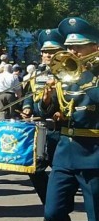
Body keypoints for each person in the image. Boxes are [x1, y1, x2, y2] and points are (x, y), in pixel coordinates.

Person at [41, 17, 99, 221]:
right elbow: (51, 108)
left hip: (94, 151)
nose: (72, 53)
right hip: (65, 150)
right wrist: (48, 100)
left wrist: (90, 80)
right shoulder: (63, 72)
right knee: (52, 212)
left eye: (80, 47)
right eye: (70, 48)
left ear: (95, 47)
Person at [19, 29, 65, 204]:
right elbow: (29, 95)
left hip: (59, 129)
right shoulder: (37, 73)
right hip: (39, 130)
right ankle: (49, 203)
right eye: (45, 51)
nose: (47, 55)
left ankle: (60, 205)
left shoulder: (69, 72)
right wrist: (27, 108)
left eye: (52, 51)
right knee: (35, 170)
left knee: (62, 172)